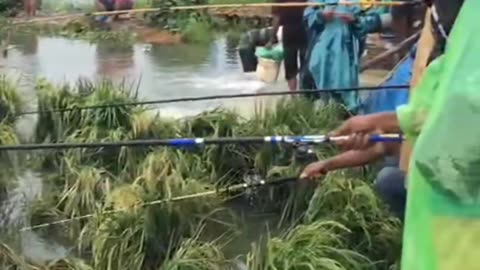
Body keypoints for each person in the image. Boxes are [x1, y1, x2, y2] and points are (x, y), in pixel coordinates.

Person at [267, 0, 308, 91]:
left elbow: (276, 19)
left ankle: (294, 96)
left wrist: (272, 38)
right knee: (305, 64)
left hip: (290, 32)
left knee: (290, 66)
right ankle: (304, 93)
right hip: (303, 31)